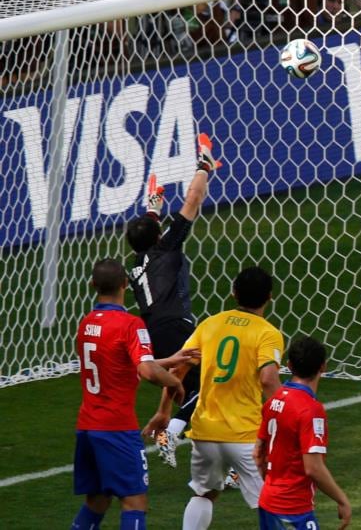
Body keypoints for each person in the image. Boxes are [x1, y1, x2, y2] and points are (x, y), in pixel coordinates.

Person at [142, 266, 283, 529]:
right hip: (245, 435)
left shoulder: (210, 324)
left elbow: (177, 368)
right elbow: (268, 379)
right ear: (269, 297)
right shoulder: (267, 333)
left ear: (233, 294)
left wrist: (164, 411)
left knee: (205, 494)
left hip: (205, 432)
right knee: (270, 502)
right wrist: (287, 417)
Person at [71, 258, 194, 530]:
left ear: (93, 285)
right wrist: (174, 381)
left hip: (88, 427)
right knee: (135, 502)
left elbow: (121, 363)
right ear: (126, 284)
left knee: (98, 500)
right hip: (117, 428)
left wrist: (166, 360)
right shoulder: (130, 324)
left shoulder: (85, 324)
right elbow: (147, 372)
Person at [126, 132, 221, 469]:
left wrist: (153, 207)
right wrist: (204, 166)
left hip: (152, 335)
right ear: (159, 235)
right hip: (177, 326)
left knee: (184, 384)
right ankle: (173, 435)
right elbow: (194, 199)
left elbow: (148, 228)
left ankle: (169, 422)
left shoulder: (137, 262)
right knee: (212, 384)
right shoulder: (167, 247)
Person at [254, 336, 351, 530]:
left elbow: (257, 454)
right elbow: (313, 467)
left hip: (267, 501)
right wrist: (342, 500)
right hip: (293, 508)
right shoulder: (310, 409)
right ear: (323, 366)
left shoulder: (274, 400)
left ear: (288, 365)